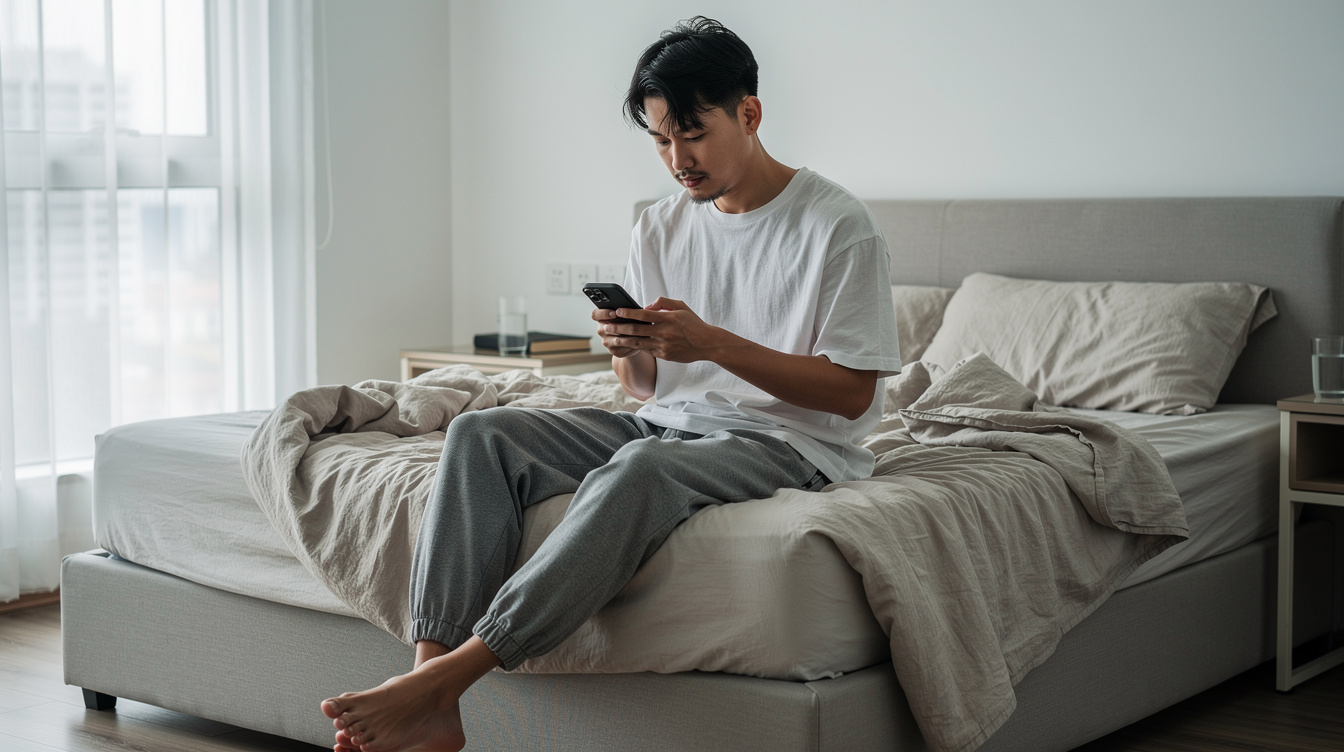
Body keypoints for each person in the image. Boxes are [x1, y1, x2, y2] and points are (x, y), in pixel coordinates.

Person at [320, 16, 901, 752]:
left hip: (790, 440)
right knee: (480, 433)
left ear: (748, 114)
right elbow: (645, 390)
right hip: (674, 421)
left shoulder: (836, 225)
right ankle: (428, 679)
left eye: (693, 132)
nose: (676, 158)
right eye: (661, 139)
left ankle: (460, 671)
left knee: (642, 469)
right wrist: (629, 349)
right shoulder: (659, 226)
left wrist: (713, 342)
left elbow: (852, 393)